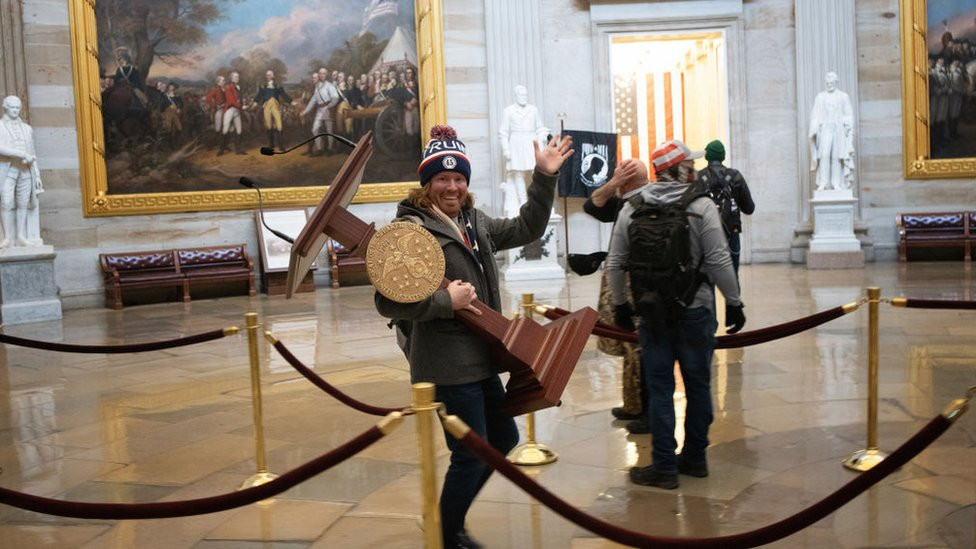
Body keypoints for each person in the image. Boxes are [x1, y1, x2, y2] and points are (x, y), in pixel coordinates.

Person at [374, 125, 573, 548]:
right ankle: (447, 534)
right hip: (446, 363)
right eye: (442, 179)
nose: (452, 186)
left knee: (503, 439)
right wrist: (445, 301)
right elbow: (388, 303)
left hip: (482, 356)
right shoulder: (411, 229)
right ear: (426, 183)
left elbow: (527, 227)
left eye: (458, 178)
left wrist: (544, 177)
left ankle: (447, 519)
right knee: (470, 451)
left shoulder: (474, 221)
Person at [606, 140, 745, 490]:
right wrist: (734, 301)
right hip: (695, 310)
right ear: (682, 169)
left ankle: (664, 466)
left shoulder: (632, 206)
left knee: (660, 388)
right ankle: (695, 458)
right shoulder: (701, 205)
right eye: (690, 164)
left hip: (652, 313)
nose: (694, 169)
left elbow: (616, 263)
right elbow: (719, 259)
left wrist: (621, 306)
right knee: (698, 386)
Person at [581, 159, 651, 432]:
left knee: (640, 348)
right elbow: (592, 205)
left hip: (638, 286)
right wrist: (615, 183)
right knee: (630, 347)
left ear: (628, 180)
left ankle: (648, 412)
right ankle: (634, 404)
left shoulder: (645, 202)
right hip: (624, 283)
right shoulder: (625, 201)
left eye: (620, 174)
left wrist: (616, 182)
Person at [696, 140, 755, 278]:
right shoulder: (735, 176)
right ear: (723, 156)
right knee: (732, 280)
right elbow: (749, 208)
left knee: (706, 282)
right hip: (731, 233)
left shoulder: (698, 178)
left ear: (707, 156)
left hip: (707, 235)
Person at [498, 85, 549, 216]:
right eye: (521, 95)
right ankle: (523, 202)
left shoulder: (533, 110)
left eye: (525, 95)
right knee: (518, 173)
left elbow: (540, 127)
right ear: (515, 96)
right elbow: (503, 132)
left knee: (535, 171)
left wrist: (542, 136)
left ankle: (536, 200)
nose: (524, 97)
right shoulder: (508, 111)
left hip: (531, 141)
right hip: (516, 142)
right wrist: (506, 149)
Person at [0, 96, 43, 248]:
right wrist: (21, 154)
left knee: (23, 203)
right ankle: (7, 237)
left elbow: (32, 153)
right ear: (5, 107)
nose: (15, 110)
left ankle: (20, 236)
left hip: (25, 170)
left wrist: (37, 175)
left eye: (17, 108)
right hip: (8, 170)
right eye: (12, 107)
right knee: (6, 202)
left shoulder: (27, 128)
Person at [808, 71, 855, 191]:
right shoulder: (820, 97)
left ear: (836, 82)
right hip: (825, 129)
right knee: (824, 155)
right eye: (828, 83)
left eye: (832, 82)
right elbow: (815, 115)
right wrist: (813, 128)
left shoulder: (843, 96)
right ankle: (823, 182)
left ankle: (836, 183)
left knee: (836, 156)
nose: (829, 85)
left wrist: (848, 127)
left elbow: (848, 115)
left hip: (838, 129)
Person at [301, 71, 341, 155]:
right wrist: (305, 111)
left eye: (323, 74)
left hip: (328, 109)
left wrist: (330, 106)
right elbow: (313, 101)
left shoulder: (329, 85)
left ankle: (330, 149)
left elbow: (336, 97)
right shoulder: (317, 88)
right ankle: (319, 149)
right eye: (320, 74)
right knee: (315, 129)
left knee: (329, 131)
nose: (314, 79)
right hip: (320, 110)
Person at [254, 70, 292, 152]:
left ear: (273, 76)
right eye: (267, 75)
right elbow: (259, 96)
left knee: (279, 125)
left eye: (270, 75)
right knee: (268, 125)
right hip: (266, 107)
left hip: (275, 106)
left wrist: (291, 101)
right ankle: (271, 145)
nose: (268, 76)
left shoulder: (278, 86)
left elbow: (284, 94)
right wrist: (254, 103)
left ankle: (281, 146)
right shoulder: (262, 86)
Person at [219, 71, 245, 156]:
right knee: (225, 129)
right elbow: (231, 101)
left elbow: (239, 99)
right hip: (230, 110)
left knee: (239, 130)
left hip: (237, 110)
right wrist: (241, 107)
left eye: (238, 77)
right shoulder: (228, 87)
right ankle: (221, 150)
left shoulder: (239, 87)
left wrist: (242, 104)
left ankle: (238, 150)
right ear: (231, 78)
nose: (237, 78)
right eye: (235, 77)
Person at [204, 75, 226, 147]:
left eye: (224, 80)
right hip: (218, 109)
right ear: (218, 82)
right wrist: (216, 105)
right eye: (223, 80)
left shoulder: (224, 89)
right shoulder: (214, 90)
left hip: (225, 107)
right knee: (219, 119)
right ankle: (217, 136)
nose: (224, 82)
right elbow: (208, 100)